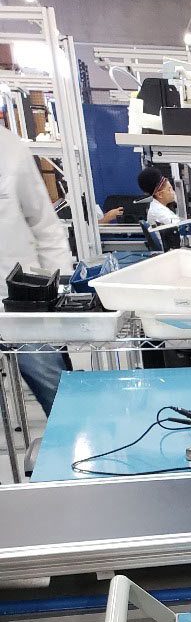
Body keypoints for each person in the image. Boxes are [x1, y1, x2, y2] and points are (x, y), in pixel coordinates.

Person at [0, 125, 73, 417]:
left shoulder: (8, 148)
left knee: (59, 399)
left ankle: (75, 444)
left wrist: (59, 294)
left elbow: (45, 227)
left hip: (22, 304)